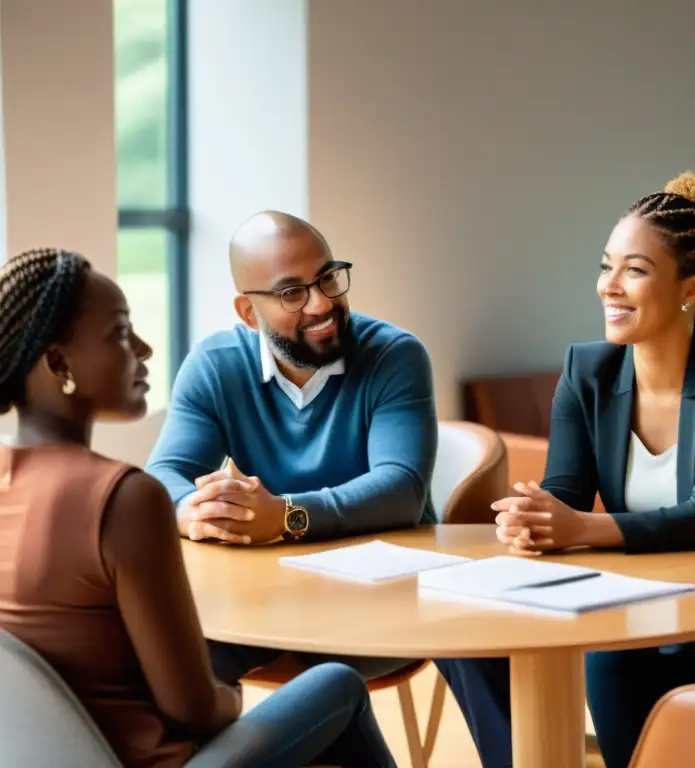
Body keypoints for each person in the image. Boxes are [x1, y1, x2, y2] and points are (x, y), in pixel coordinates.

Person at [435, 172, 695, 768]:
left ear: (692, 286)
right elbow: (564, 492)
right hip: (651, 596)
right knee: (590, 648)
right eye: (606, 267)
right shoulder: (585, 372)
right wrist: (534, 516)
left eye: (635, 270)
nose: (609, 287)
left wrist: (579, 529)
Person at [0, 247, 397, 768]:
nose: (143, 350)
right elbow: (195, 711)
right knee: (337, 684)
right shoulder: (122, 497)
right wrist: (234, 696)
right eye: (120, 333)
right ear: (59, 363)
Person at [146, 211, 436, 686]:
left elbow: (402, 490)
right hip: (269, 591)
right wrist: (191, 511)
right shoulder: (215, 366)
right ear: (247, 312)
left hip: (386, 589)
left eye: (328, 278)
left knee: (326, 681)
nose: (322, 303)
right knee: (179, 658)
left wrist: (284, 515)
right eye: (292, 292)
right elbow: (164, 475)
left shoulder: (394, 355)